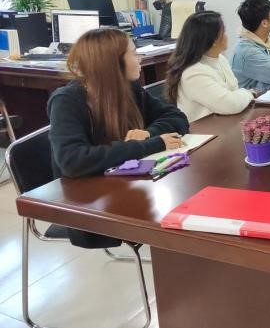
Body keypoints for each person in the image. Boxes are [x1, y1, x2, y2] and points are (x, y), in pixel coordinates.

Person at [48, 28, 189, 247]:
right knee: (173, 220)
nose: (140, 57)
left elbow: (177, 117)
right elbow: (73, 160)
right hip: (88, 202)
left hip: (130, 184)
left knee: (182, 203)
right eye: (133, 53)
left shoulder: (128, 87)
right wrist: (150, 144)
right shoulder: (67, 100)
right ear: (113, 62)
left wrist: (149, 133)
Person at [166, 11, 253, 122]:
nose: (227, 36)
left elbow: (234, 91)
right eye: (224, 32)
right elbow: (230, 104)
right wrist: (247, 93)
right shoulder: (193, 72)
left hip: (226, 122)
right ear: (213, 40)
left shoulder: (220, 59)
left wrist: (241, 95)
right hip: (205, 130)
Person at [231, 0, 270, 91]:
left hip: (265, 94)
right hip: (251, 99)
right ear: (264, 23)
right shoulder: (248, 51)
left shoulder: (266, 40)